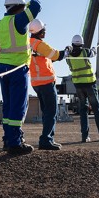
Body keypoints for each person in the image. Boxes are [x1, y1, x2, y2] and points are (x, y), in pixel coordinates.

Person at [0, 0, 40, 154]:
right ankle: (14, 143)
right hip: (17, 68)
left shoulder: (0, 24)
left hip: (2, 67)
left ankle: (7, 139)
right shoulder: (19, 21)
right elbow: (36, 5)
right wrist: (27, 3)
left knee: (8, 105)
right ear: (19, 7)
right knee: (18, 106)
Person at [28, 19, 66, 150]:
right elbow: (56, 55)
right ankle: (46, 140)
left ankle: (47, 138)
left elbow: (43, 60)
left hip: (36, 83)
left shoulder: (28, 43)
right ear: (40, 31)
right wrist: (67, 51)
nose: (45, 31)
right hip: (46, 83)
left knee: (47, 112)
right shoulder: (39, 44)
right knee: (51, 112)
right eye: (44, 29)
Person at [66, 34, 99, 143]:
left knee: (83, 111)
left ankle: (84, 137)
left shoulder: (68, 56)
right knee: (96, 109)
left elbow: (65, 56)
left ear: (72, 43)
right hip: (89, 84)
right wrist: (94, 48)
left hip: (78, 86)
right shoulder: (85, 52)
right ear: (82, 43)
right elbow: (93, 52)